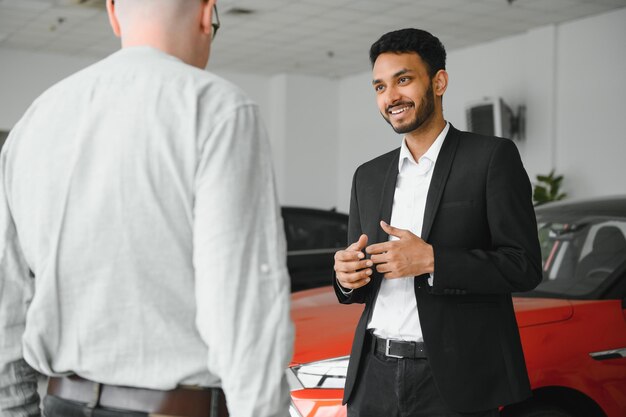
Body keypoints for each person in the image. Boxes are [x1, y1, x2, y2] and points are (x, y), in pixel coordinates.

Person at [0, 0, 293, 416]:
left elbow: (5, 305)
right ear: (207, 15)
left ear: (114, 13)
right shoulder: (217, 109)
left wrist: (16, 410)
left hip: (58, 405)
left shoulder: (35, 120)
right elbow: (241, 308)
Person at [333, 28, 542, 417]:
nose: (390, 96)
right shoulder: (368, 175)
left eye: (404, 80)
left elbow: (524, 266)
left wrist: (433, 260)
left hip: (453, 380)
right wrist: (346, 278)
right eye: (379, 86)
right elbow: (361, 284)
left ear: (439, 81)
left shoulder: (491, 158)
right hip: (372, 376)